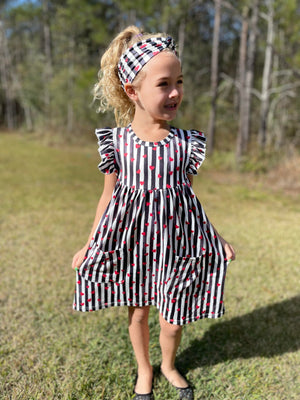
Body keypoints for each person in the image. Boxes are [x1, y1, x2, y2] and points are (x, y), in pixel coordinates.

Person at [72, 25, 235, 400]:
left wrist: (216, 237)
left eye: (179, 81)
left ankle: (168, 363)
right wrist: (91, 243)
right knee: (140, 313)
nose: (176, 91)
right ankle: (145, 369)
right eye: (164, 84)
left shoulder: (185, 143)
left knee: (174, 318)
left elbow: (189, 201)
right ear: (134, 91)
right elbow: (107, 197)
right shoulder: (118, 143)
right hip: (135, 244)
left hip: (176, 243)